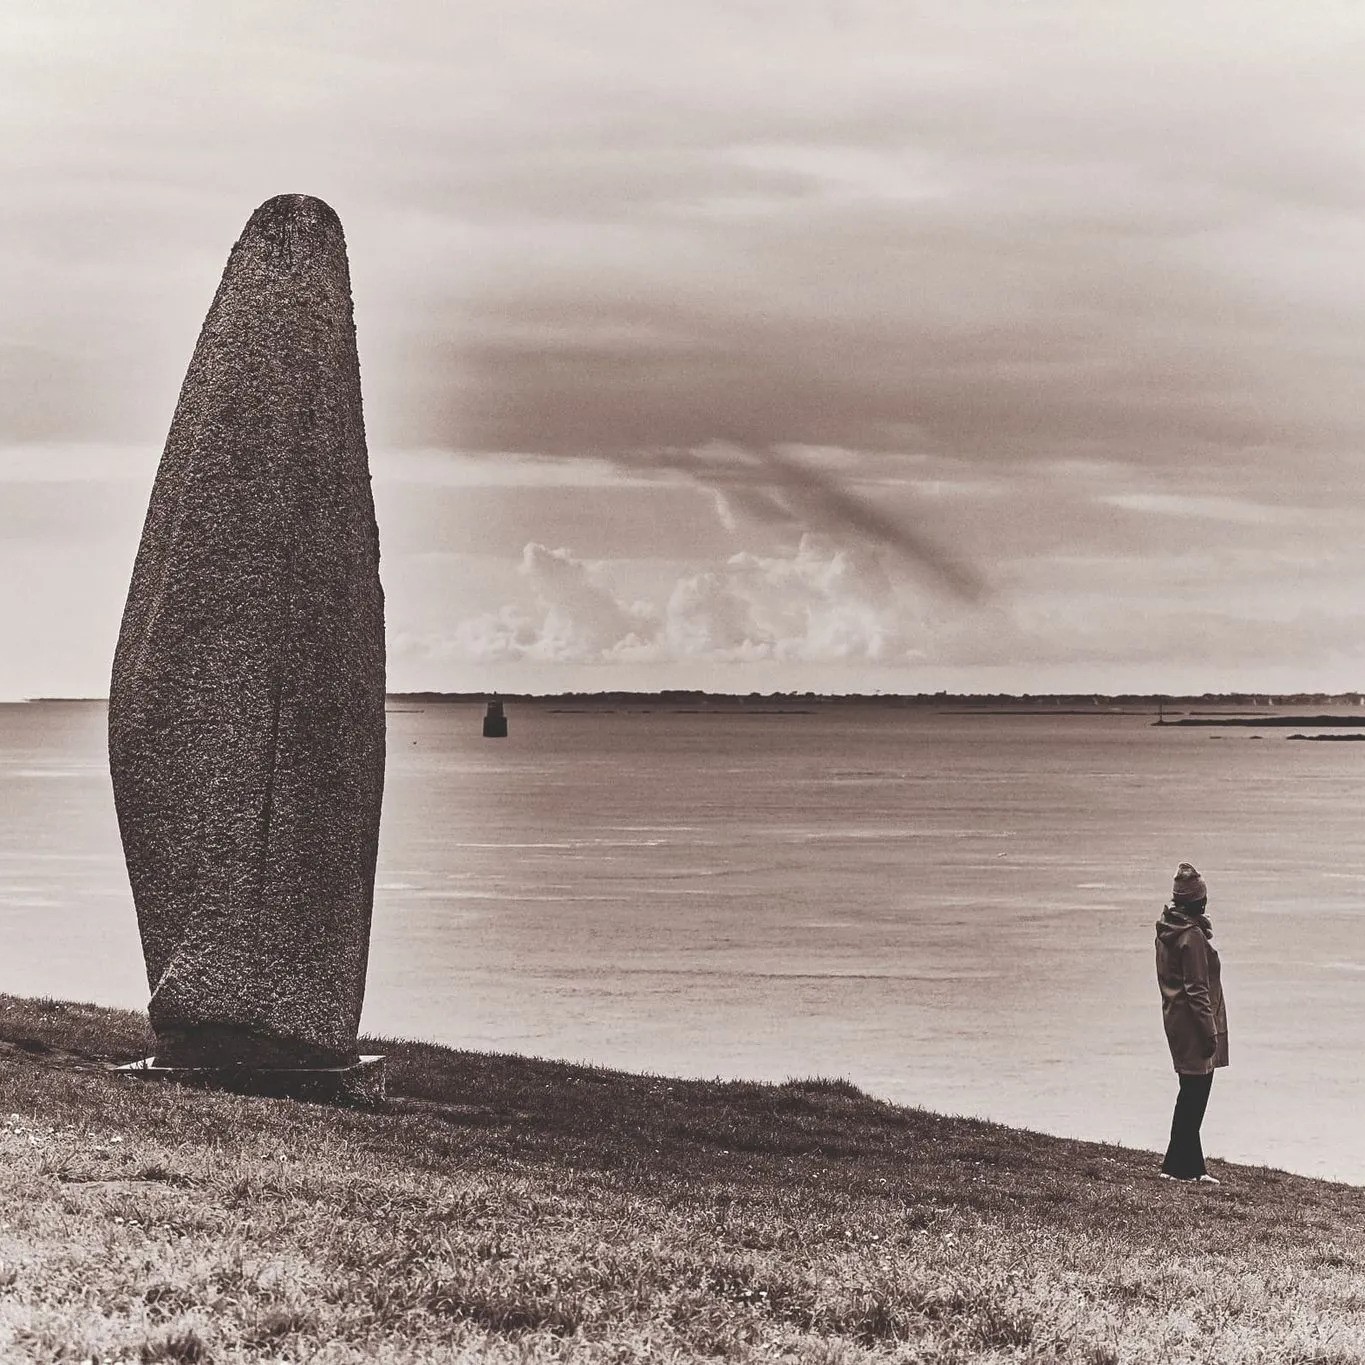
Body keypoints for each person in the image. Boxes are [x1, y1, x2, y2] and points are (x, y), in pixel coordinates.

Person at [1155, 862, 1228, 1184]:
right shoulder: (1192, 937)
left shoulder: (1166, 930)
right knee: (1195, 1094)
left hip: (1175, 1019)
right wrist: (1210, 1031)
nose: (1206, 903)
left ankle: (1187, 1167)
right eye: (1203, 899)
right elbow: (1197, 990)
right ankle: (1178, 1167)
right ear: (1196, 902)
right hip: (1194, 1024)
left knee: (1190, 1092)